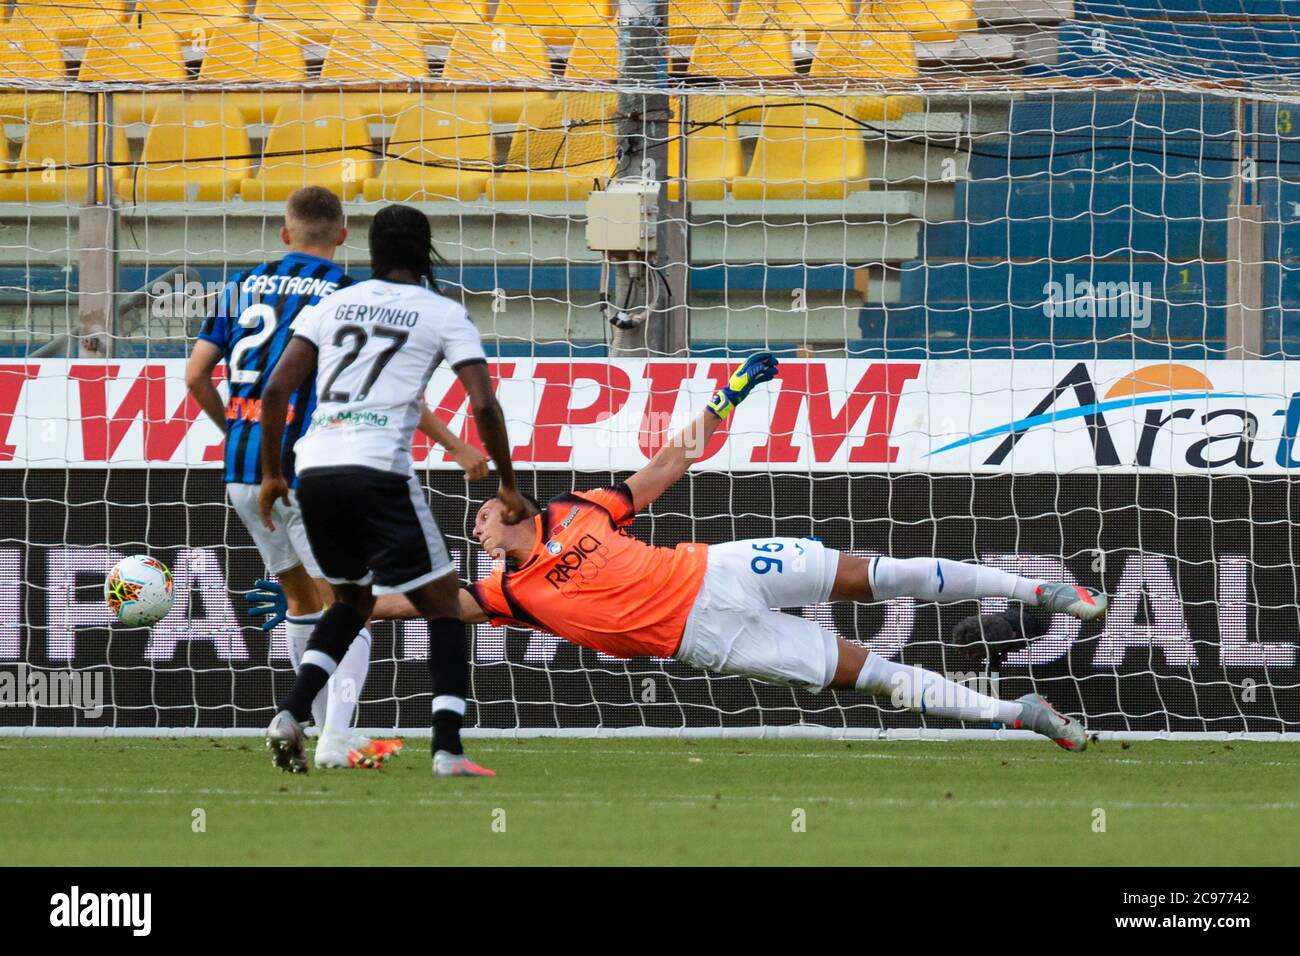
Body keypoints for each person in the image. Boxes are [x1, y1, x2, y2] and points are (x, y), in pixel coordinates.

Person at [460, 353, 1108, 750]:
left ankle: (1042, 592)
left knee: (877, 574)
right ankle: (1022, 715)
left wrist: (728, 395)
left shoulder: (580, 508)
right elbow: (417, 603)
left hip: (719, 567)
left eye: (481, 517)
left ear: (507, 506)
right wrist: (357, 601)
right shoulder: (507, 592)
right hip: (710, 637)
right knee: (876, 677)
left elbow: (666, 464)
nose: (479, 532)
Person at [187, 187, 489, 769]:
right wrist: (453, 442)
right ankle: (333, 737)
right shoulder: (346, 293)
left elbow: (196, 374)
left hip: (247, 465)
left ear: (284, 232)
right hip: (309, 462)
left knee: (303, 600)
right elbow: (382, 387)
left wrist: (237, 433)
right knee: (349, 600)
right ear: (344, 236)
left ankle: (306, 725)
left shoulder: (238, 286)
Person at [257, 203, 526, 777]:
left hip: (315, 469)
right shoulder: (442, 311)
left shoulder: (330, 305)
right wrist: (506, 482)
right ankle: (448, 750)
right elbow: (482, 402)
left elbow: (277, 389)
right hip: (378, 470)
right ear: (425, 252)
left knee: (351, 600)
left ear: (372, 252)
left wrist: (273, 473)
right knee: (446, 605)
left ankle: (291, 713)